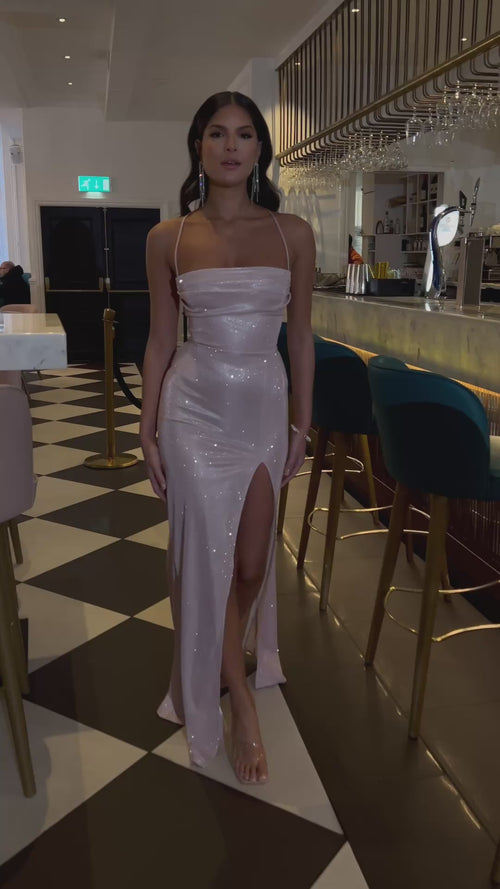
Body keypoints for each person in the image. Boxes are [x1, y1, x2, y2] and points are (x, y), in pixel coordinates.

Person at [140, 91, 315, 785]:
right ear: (199, 146)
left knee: (248, 564)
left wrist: (303, 422)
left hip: (263, 409)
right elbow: (161, 340)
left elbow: (300, 337)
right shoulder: (169, 237)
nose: (231, 146)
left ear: (260, 149)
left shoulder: (293, 233)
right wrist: (146, 426)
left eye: (244, 134)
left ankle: (218, 656)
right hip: (192, 408)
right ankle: (239, 699)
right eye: (217, 133)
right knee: (202, 559)